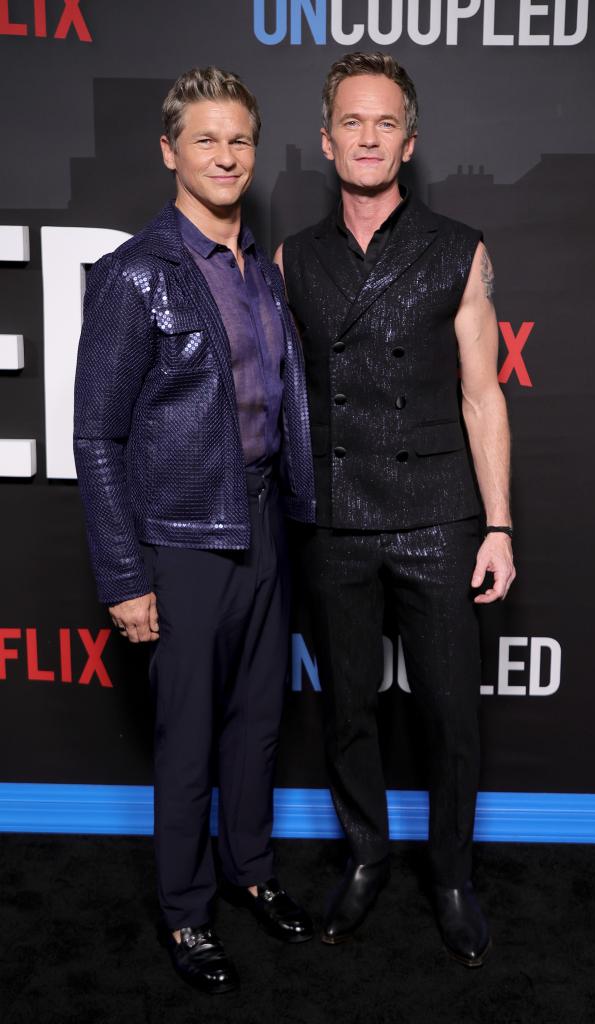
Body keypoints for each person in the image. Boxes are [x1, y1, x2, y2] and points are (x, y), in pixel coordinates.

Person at [74, 66, 316, 995]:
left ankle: (250, 872)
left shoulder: (262, 269)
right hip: (177, 540)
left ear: (255, 154)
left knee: (257, 724)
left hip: (260, 522)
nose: (225, 156)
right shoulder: (137, 273)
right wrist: (123, 576)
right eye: (206, 139)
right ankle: (184, 914)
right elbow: (96, 433)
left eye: (240, 140)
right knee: (185, 737)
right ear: (170, 151)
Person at [275, 52, 515, 967]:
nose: (366, 137)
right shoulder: (296, 256)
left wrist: (496, 525)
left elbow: (482, 396)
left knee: (449, 711)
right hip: (333, 516)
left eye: (384, 124)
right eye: (351, 121)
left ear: (407, 143)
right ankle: (367, 856)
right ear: (327, 137)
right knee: (345, 709)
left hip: (436, 516)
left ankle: (451, 875)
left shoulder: (459, 248)